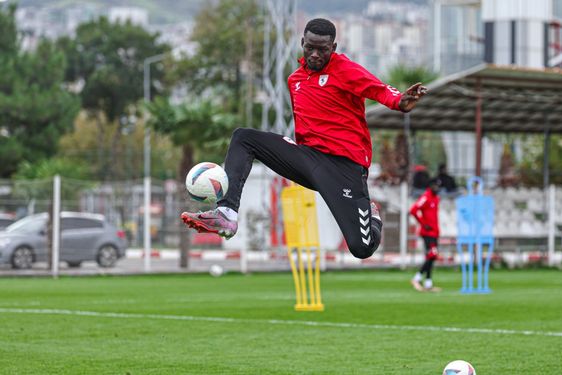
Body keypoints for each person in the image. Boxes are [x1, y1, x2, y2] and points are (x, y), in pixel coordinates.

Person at [181, 18, 428, 259]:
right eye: (310, 48)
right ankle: (227, 213)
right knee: (243, 138)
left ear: (334, 48)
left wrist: (400, 101)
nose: (315, 55)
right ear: (302, 42)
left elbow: (378, 89)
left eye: (323, 50)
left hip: (344, 169)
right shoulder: (295, 80)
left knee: (361, 248)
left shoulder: (346, 70)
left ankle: (371, 217)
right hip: (308, 159)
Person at [409, 178, 441, 292]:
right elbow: (413, 210)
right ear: (431, 186)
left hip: (434, 232)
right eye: (436, 186)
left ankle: (428, 283)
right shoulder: (425, 197)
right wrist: (423, 223)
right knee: (432, 254)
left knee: (431, 257)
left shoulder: (436, 198)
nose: (438, 189)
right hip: (427, 232)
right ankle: (416, 278)